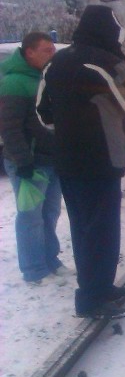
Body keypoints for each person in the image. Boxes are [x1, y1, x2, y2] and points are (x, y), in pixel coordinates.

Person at [36, 5, 125, 319]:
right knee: (103, 229)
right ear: (108, 32)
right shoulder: (103, 61)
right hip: (101, 161)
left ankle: (97, 287)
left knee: (83, 228)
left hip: (68, 161)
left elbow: (43, 113)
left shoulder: (56, 62)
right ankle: (92, 298)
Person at [0, 31, 69, 286]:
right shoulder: (15, 82)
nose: (52, 54)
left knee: (49, 214)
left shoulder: (47, 77)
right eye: (46, 50)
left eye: (53, 49)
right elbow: (9, 128)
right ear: (29, 52)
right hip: (29, 161)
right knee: (30, 217)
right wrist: (22, 161)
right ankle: (34, 269)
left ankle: (51, 260)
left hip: (52, 159)